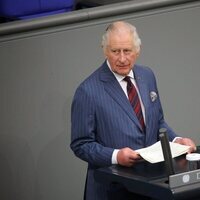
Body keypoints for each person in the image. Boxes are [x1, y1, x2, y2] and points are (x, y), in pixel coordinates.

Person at [70, 21, 196, 200]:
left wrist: (177, 140)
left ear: (138, 50)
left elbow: (157, 122)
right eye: (115, 51)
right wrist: (115, 156)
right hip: (112, 190)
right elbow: (81, 144)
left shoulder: (147, 76)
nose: (122, 58)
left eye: (127, 51)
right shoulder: (88, 91)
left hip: (150, 186)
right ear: (105, 50)